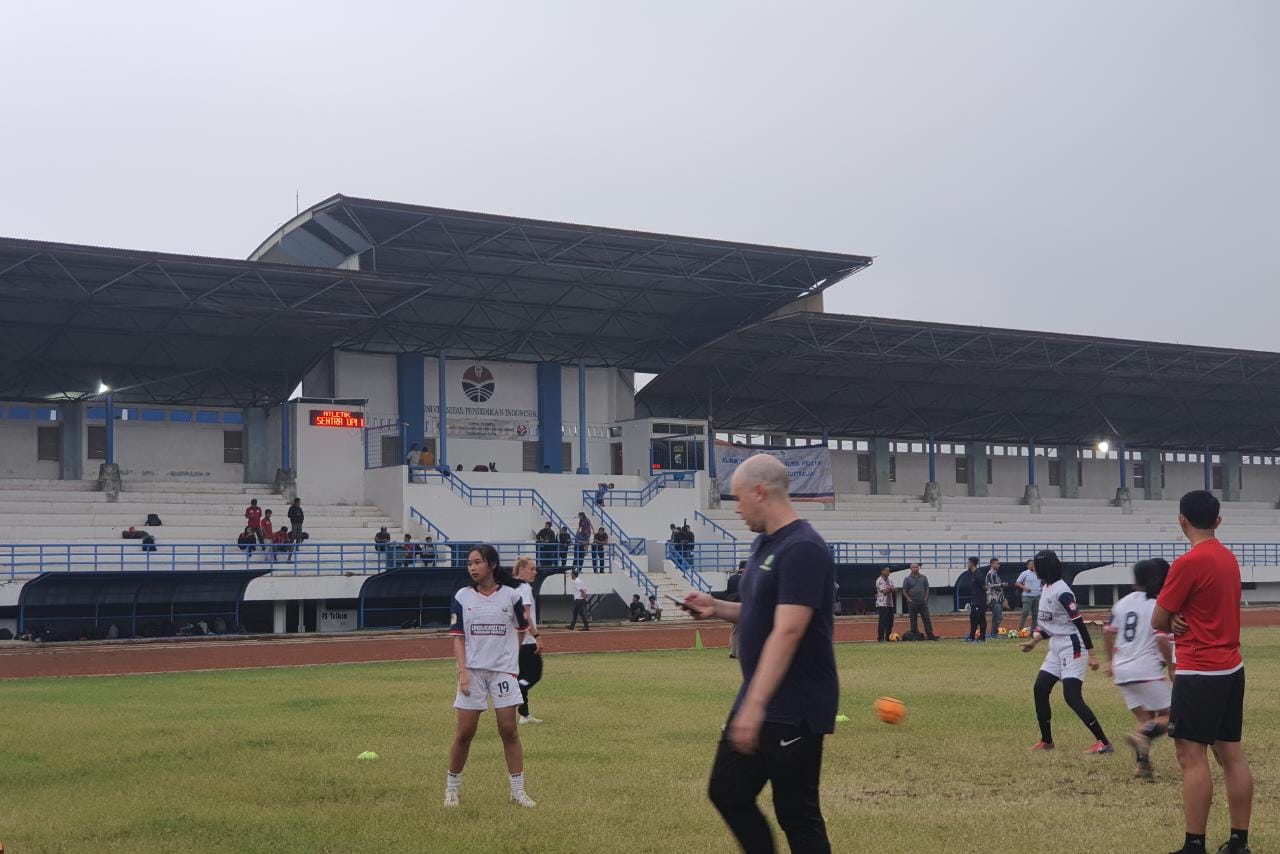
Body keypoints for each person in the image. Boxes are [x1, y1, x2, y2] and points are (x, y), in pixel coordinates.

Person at [682, 453, 836, 854]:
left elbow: (788, 630)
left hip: (793, 705)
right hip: (762, 697)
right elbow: (762, 613)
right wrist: (716, 607)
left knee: (797, 814)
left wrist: (754, 705)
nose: (736, 508)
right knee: (727, 792)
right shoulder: (765, 545)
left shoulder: (804, 548)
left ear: (759, 492)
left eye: (737, 498)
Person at [1152, 490, 1253, 854]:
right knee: (1231, 755)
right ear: (1218, 521)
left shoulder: (1189, 562)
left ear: (1182, 520)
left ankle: (1194, 844)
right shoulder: (1228, 558)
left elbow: (1158, 618)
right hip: (1231, 666)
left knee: (1191, 757)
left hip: (1200, 670)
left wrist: (1175, 616)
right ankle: (1239, 841)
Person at [445, 544, 534, 809]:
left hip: (503, 672)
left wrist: (511, 658)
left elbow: (521, 629)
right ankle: (452, 790)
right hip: (472, 671)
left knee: (508, 729)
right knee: (464, 732)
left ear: (492, 565)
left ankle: (517, 792)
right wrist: (462, 672)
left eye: (477, 562)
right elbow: (458, 638)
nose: (472, 567)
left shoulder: (511, 596)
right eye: (470, 563)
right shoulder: (462, 597)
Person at [1019, 549, 1112, 754]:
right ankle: (1047, 741)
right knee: (1040, 689)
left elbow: (1078, 624)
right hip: (1056, 647)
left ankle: (1104, 743)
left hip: (1073, 647)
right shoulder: (1046, 587)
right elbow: (1051, 626)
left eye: (1037, 564)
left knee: (1072, 697)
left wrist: (1093, 654)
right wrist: (1033, 643)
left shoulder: (1062, 592)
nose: (1034, 568)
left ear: (1045, 567)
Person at [1103, 558, 1174, 780]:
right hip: (1145, 668)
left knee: (1146, 718)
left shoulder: (1122, 603)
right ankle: (1141, 735)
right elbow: (1162, 640)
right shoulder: (1159, 604)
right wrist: (1172, 667)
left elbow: (1107, 632)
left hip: (1122, 669)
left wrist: (1110, 661)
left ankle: (1142, 766)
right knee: (1172, 716)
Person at [513, 556, 545, 726]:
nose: (535, 572)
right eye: (532, 568)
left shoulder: (512, 587)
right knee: (534, 675)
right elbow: (525, 616)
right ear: (522, 570)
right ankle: (515, 691)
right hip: (526, 641)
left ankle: (524, 715)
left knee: (522, 676)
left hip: (515, 642)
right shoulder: (524, 588)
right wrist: (537, 636)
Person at [901, 563, 938, 640]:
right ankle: (915, 635)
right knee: (913, 619)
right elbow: (904, 590)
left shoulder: (923, 578)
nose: (915, 568)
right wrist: (909, 599)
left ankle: (930, 634)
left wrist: (925, 598)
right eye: (914, 567)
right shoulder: (907, 579)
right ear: (910, 568)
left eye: (917, 567)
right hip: (912, 603)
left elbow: (927, 588)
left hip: (922, 602)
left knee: (926, 618)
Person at [725, 561, 746, 659]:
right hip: (744, 606)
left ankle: (732, 651)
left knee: (734, 630)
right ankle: (740, 652)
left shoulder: (732, 578)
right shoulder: (748, 578)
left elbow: (728, 593)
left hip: (732, 606)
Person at [964, 557, 987, 642]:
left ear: (972, 563)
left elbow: (984, 588)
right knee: (973, 619)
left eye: (968, 562)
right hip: (974, 600)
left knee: (981, 619)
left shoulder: (978, 575)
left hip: (980, 601)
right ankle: (972, 636)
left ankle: (982, 638)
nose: (967, 564)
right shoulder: (971, 574)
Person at [1016, 559, 1041, 633]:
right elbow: (1017, 583)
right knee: (1025, 612)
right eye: (1030, 564)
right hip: (1027, 596)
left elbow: (1042, 582)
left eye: (1033, 564)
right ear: (1027, 566)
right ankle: (1020, 628)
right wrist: (1024, 588)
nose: (1032, 565)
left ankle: (1033, 630)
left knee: (1035, 614)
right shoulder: (1025, 573)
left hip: (1037, 595)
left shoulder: (1039, 573)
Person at [875, 566, 896, 642]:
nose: (888, 572)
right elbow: (884, 592)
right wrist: (891, 588)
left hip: (890, 603)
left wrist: (890, 589)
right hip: (882, 603)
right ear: (882, 571)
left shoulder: (889, 580)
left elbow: (895, 589)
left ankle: (888, 637)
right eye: (887, 571)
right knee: (883, 621)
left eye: (889, 571)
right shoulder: (879, 580)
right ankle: (880, 638)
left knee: (890, 622)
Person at [986, 558, 1005, 634]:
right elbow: (990, 586)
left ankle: (994, 632)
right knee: (997, 617)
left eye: (999, 564)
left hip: (998, 598)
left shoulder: (995, 573)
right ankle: (993, 634)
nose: (998, 565)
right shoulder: (991, 573)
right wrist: (1001, 585)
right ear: (992, 564)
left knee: (999, 617)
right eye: (997, 564)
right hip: (994, 598)